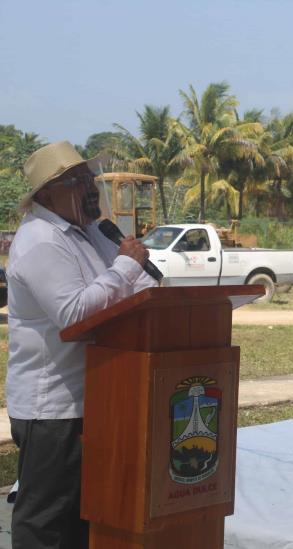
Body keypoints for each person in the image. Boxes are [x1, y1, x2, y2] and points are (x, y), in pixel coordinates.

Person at [6, 141, 157, 548]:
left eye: (89, 178)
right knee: (46, 521)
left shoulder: (93, 232)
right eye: (76, 181)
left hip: (100, 397)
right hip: (53, 406)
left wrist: (142, 277)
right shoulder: (40, 241)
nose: (90, 188)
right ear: (45, 194)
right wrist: (127, 264)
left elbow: (141, 288)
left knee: (83, 516)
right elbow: (74, 313)